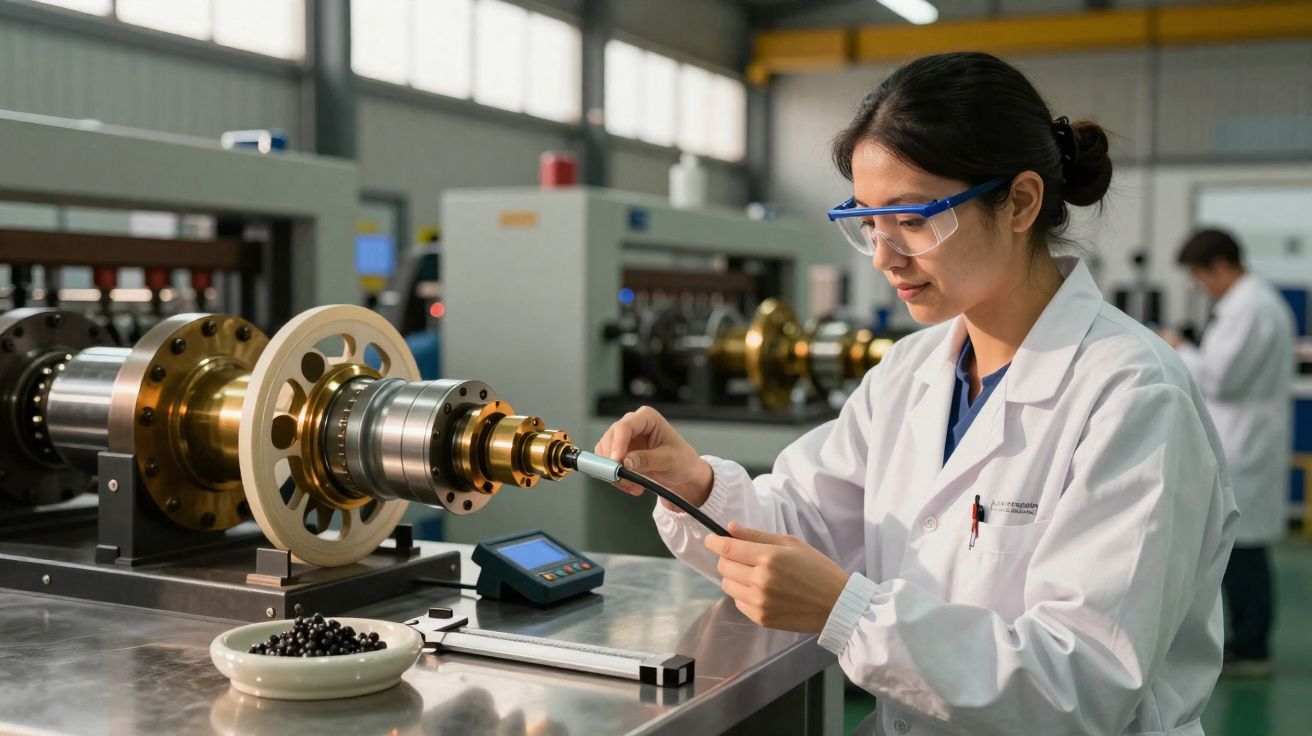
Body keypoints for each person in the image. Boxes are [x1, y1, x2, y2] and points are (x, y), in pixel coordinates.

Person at [596, 52, 1237, 736]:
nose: (883, 254)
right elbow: (806, 528)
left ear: (1019, 202)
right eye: (868, 221)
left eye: (912, 218)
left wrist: (848, 613)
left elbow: (1081, 684)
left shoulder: (1131, 394)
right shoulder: (912, 373)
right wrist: (693, 485)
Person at [1160, 229, 1296, 678]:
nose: (1202, 287)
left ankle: (1253, 647)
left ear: (1219, 265)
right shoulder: (1250, 303)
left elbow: (1221, 379)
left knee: (1245, 549)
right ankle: (1247, 641)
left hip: (1245, 439)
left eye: (1200, 277)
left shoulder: (1250, 307)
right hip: (1244, 435)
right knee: (1241, 546)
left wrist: (1180, 349)